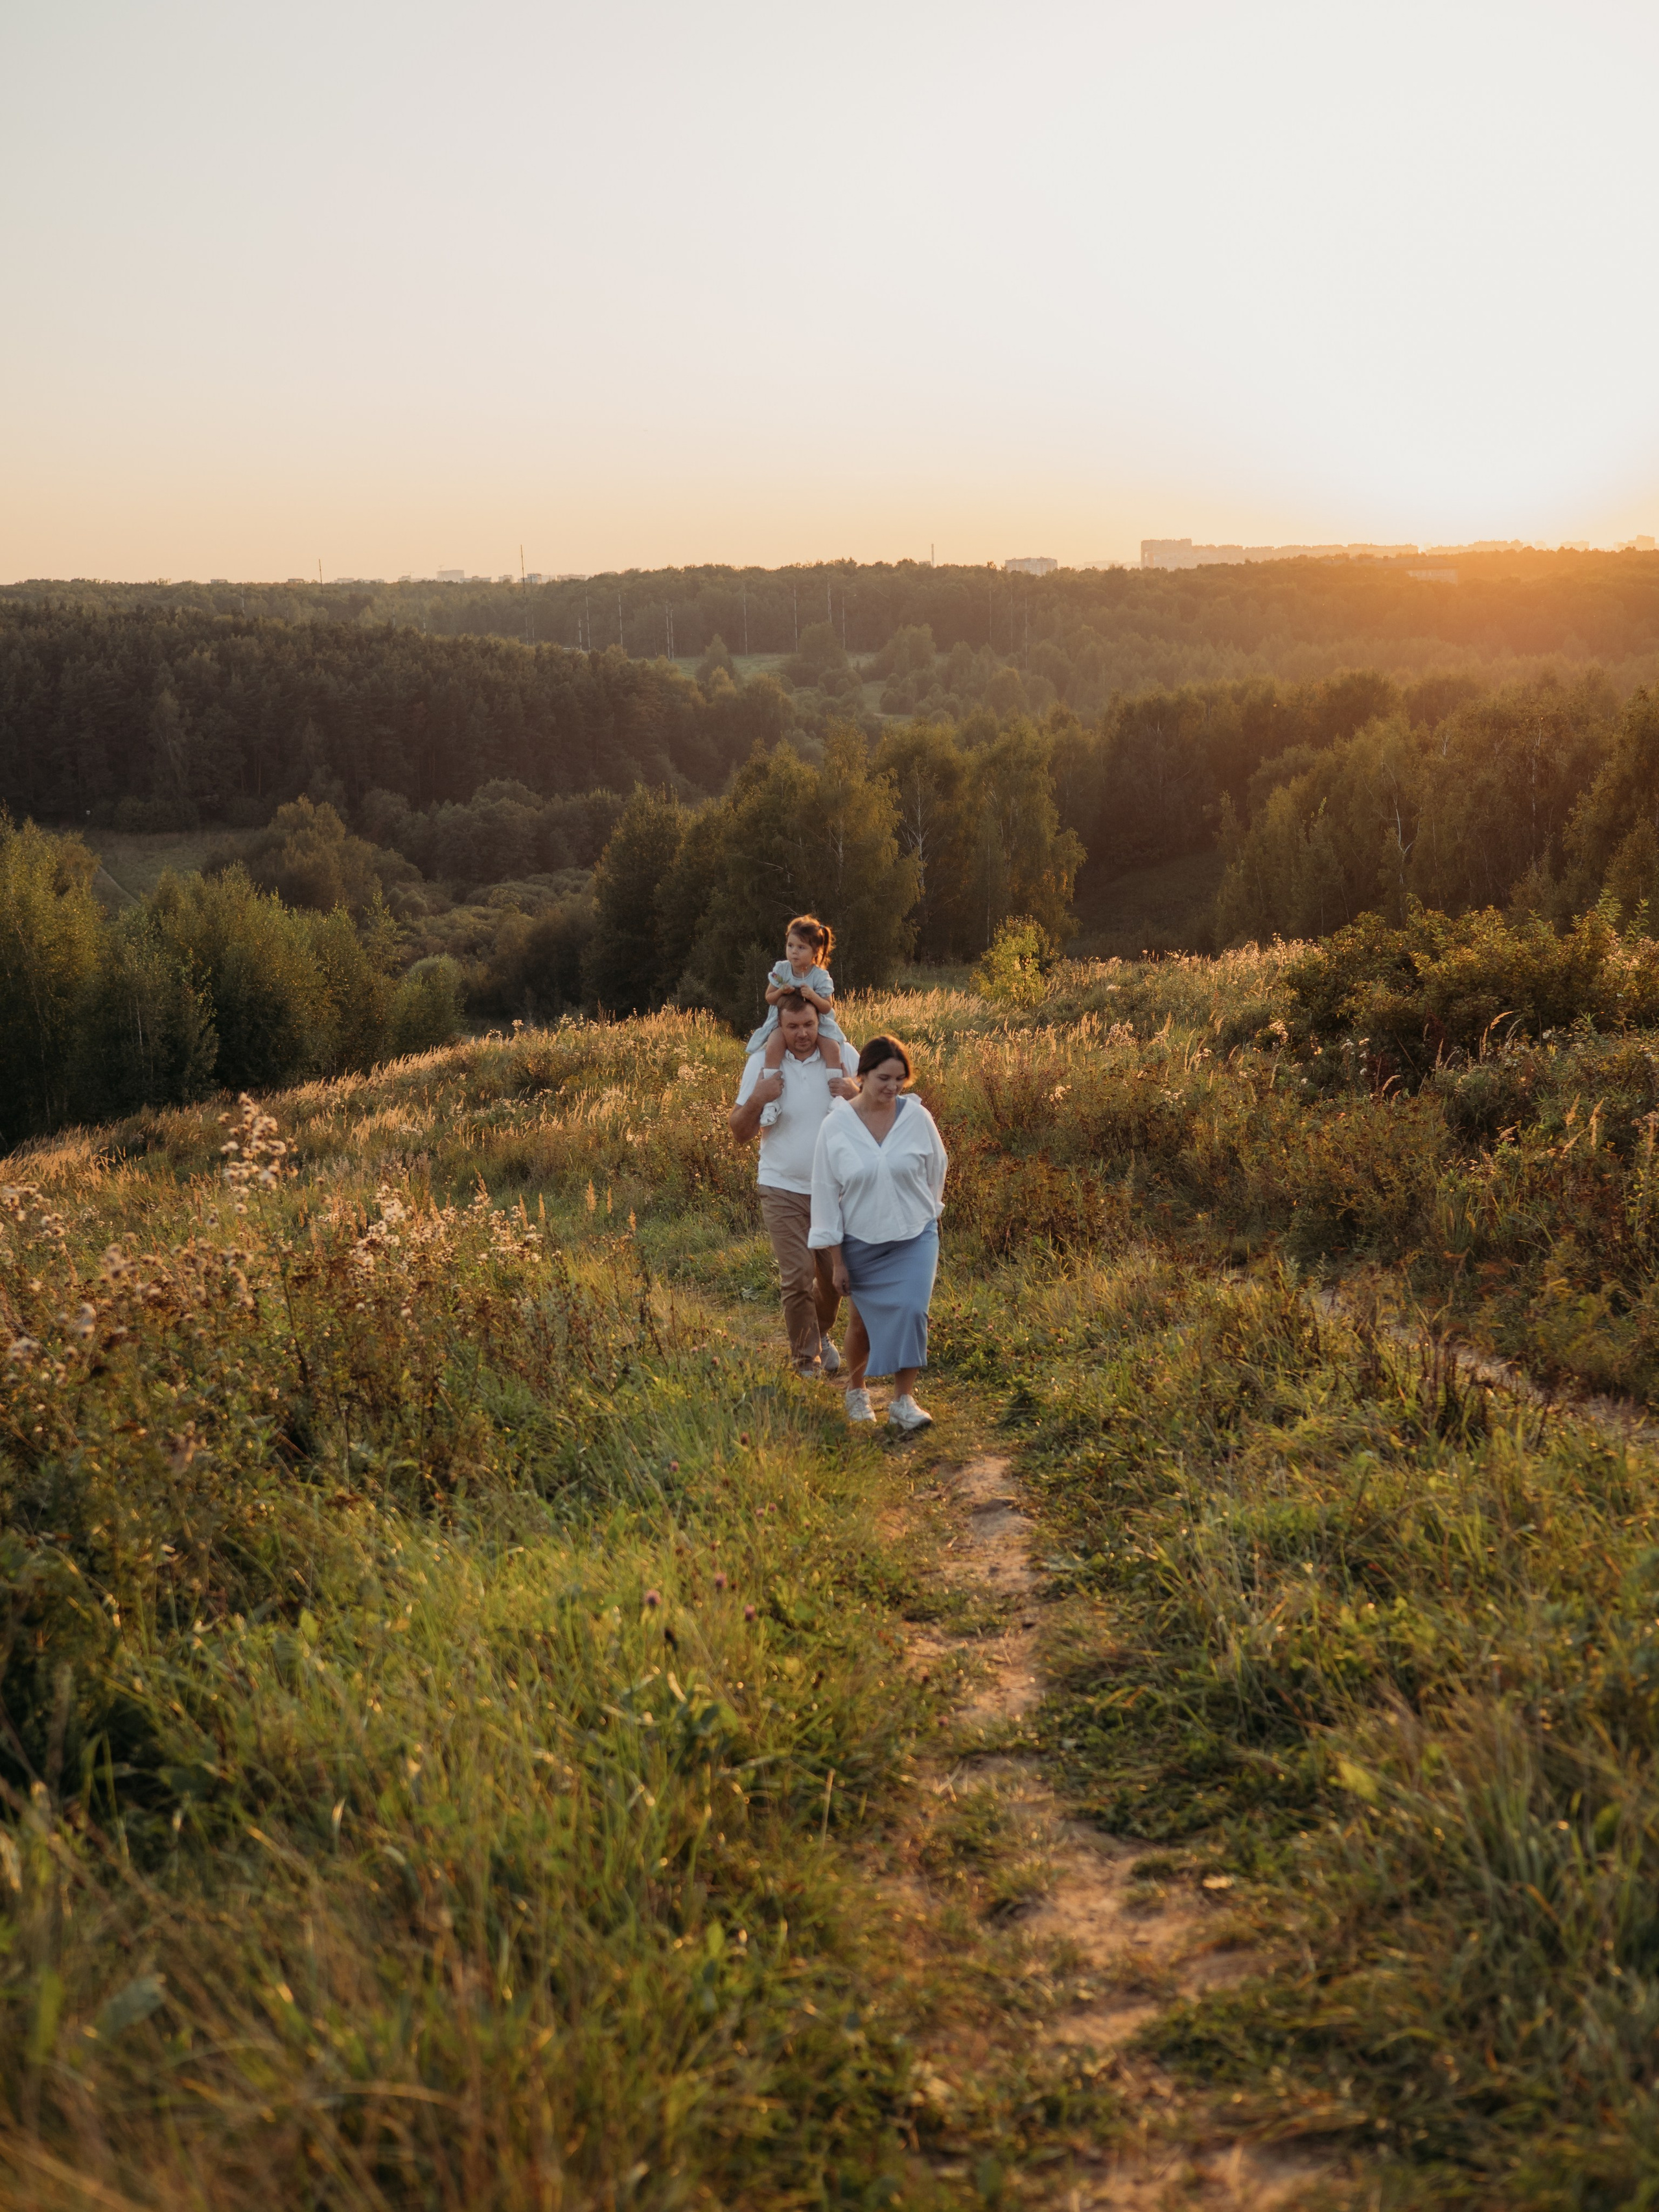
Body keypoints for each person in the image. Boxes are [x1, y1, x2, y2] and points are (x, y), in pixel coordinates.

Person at [809, 1034, 947, 1433]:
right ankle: (857, 1391)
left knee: (913, 1311)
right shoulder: (836, 1127)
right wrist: (837, 1261)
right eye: (884, 1078)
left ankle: (904, 1402)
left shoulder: (917, 1118)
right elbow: (825, 1194)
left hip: (915, 1236)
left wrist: (924, 1211)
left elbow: (937, 1168)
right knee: (861, 1324)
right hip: (861, 1242)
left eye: (900, 1079)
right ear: (863, 1074)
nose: (893, 1087)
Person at [728, 991, 862, 1378]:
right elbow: (739, 1132)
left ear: (820, 1021)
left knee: (836, 1281)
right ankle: (806, 1360)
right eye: (792, 1026)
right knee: (798, 1277)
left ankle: (819, 1332)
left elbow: (882, 1109)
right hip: (781, 1186)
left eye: (808, 1025)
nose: (802, 1034)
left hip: (836, 1192)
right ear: (779, 1025)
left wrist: (857, 1094)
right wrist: (759, 1097)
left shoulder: (844, 1055)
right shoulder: (762, 1063)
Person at [746, 914, 845, 1082]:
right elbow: (769, 998)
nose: (794, 951)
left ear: (815, 951)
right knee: (773, 1046)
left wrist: (813, 996)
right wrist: (781, 992)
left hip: (816, 1023)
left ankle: (836, 1088)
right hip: (784, 1022)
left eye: (801, 947)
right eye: (790, 945)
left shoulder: (820, 976)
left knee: (833, 1049)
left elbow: (827, 1007)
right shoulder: (782, 970)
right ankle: (770, 1089)